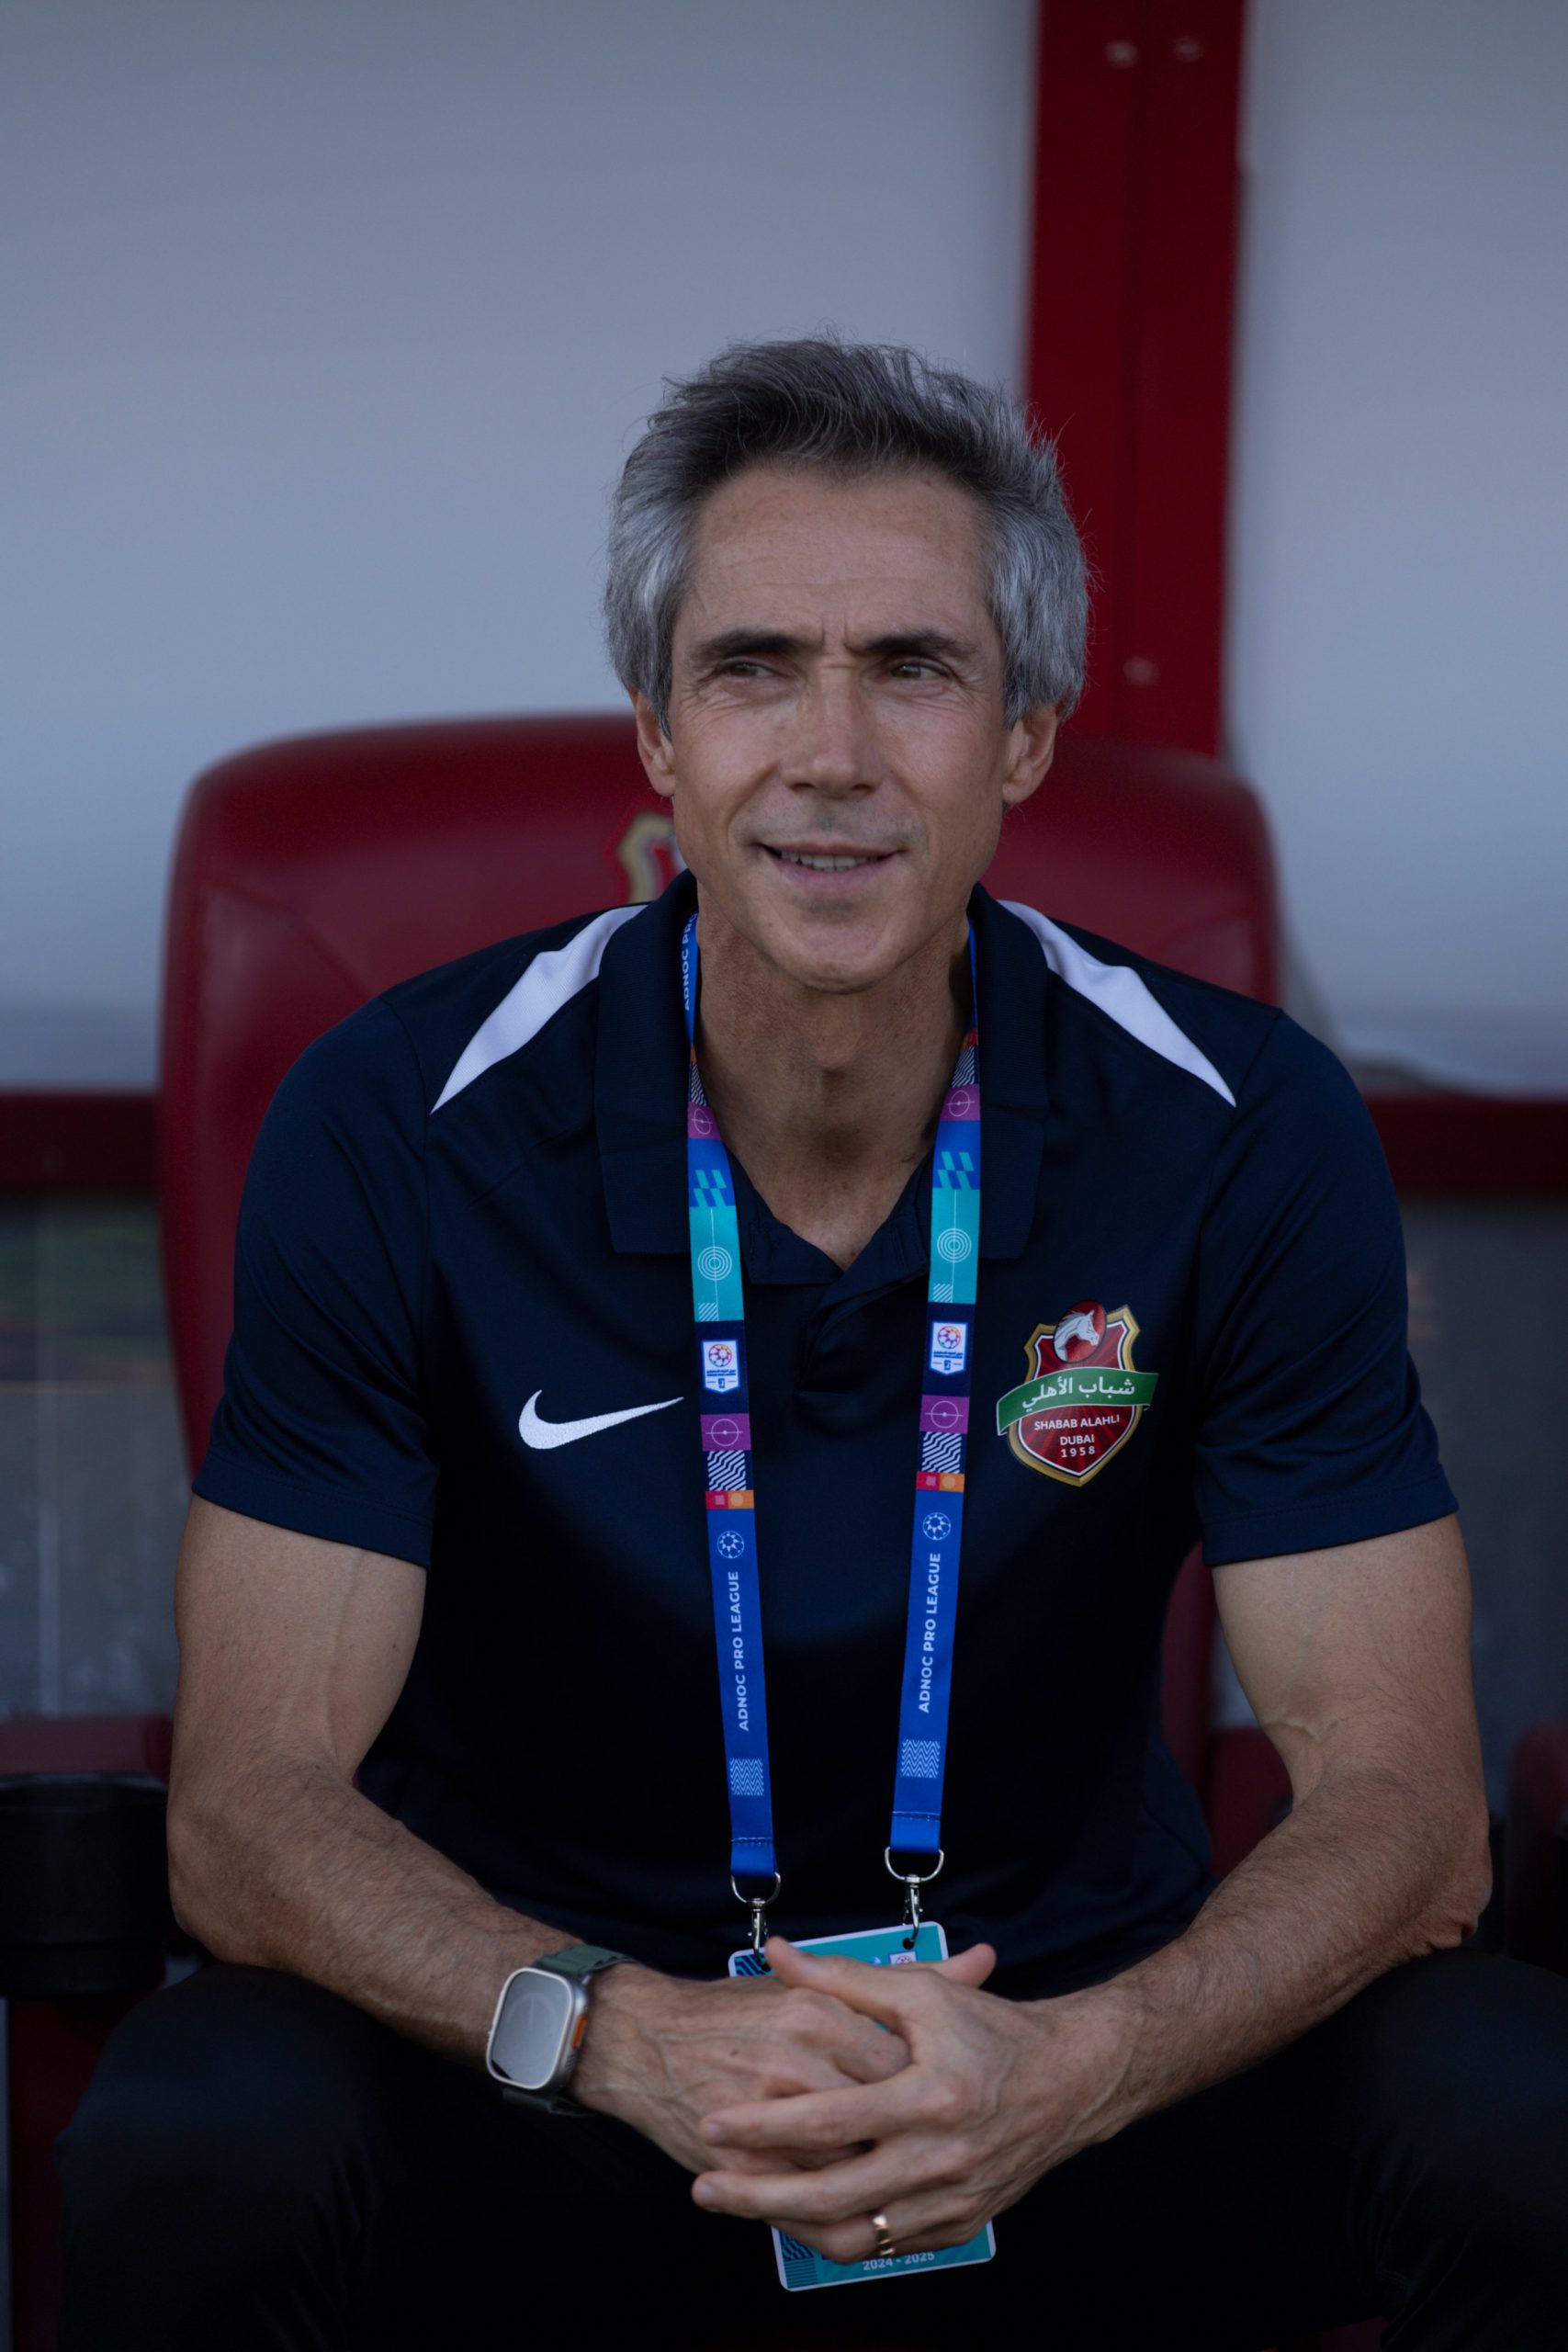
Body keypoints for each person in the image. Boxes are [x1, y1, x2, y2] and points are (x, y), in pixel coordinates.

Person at [62, 339, 1568, 2349]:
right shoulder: (399, 1116)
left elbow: (1406, 1800)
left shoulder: (1238, 1119)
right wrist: (621, 2033)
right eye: (754, 667)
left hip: (1055, 2071)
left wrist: (1086, 2062)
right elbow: (249, 1806)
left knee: (1512, 2102)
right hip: (559, 2084)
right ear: (656, 733)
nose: (830, 751)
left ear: (1024, 735)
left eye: (913, 669)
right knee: (199, 2126)